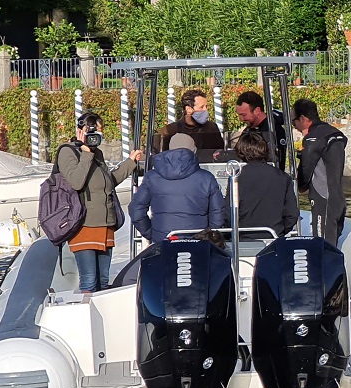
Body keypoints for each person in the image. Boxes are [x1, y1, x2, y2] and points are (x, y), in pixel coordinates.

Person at [57, 113, 142, 292]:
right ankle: (86, 317)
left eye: (99, 131)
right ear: (80, 131)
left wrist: (130, 163)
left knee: (103, 280)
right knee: (89, 279)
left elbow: (107, 182)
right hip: (84, 225)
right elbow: (76, 181)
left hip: (106, 224)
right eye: (92, 131)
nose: (97, 136)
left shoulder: (98, 153)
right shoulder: (68, 151)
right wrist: (86, 153)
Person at [130, 133, 227, 244]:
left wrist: (151, 233)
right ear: (193, 151)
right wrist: (210, 236)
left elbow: (136, 210)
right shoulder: (207, 178)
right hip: (199, 240)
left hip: (163, 240)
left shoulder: (152, 177)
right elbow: (218, 213)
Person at [294, 98, 347, 244]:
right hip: (337, 199)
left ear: (303, 119)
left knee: (322, 246)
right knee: (332, 244)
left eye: (294, 122)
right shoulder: (334, 134)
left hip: (322, 200)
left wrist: (299, 186)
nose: (295, 127)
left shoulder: (313, 139)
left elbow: (306, 168)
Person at [233, 130, 298, 238]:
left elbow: (229, 211)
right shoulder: (282, 177)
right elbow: (292, 214)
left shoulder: (237, 177)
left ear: (241, 152)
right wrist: (281, 230)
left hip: (244, 236)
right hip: (274, 236)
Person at [156, 87, 225, 155]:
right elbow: (164, 156)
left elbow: (220, 152)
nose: (205, 110)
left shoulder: (212, 128)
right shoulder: (171, 130)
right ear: (188, 109)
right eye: (201, 107)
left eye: (206, 107)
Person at [234, 90, 287, 164]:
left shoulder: (273, 129)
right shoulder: (249, 129)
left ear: (257, 110)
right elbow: (239, 151)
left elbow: (276, 159)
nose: (241, 119)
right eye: (239, 115)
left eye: (244, 115)